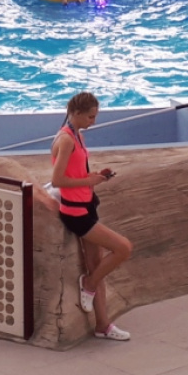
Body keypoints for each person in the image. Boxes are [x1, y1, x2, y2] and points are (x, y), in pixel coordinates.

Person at [51, 91, 133, 341]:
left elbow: (75, 173)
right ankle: (88, 283)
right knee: (123, 248)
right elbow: (57, 180)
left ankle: (103, 326)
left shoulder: (78, 135)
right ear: (76, 113)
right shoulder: (66, 140)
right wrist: (89, 181)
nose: (93, 121)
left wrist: (96, 176)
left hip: (87, 205)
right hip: (76, 212)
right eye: (90, 117)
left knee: (97, 264)